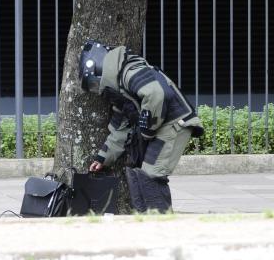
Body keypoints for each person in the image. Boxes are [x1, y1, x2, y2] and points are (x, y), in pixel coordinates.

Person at [79, 40, 204, 213]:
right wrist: (102, 158)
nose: (97, 89)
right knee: (135, 173)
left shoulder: (130, 71)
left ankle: (162, 225)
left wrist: (146, 131)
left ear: (100, 70)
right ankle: (145, 221)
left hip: (175, 124)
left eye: (94, 83)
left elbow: (156, 94)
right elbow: (119, 130)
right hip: (162, 126)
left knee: (151, 175)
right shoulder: (120, 87)